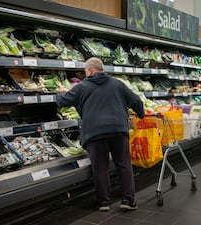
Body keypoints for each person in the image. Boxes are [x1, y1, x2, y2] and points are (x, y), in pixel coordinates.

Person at [56, 57, 144, 211]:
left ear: (89, 70)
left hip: (95, 133)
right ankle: (128, 200)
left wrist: (59, 93)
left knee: (100, 168)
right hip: (118, 130)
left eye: (85, 71)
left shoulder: (82, 86)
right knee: (124, 164)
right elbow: (136, 101)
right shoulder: (118, 84)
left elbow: (62, 101)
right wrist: (141, 115)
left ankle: (103, 202)